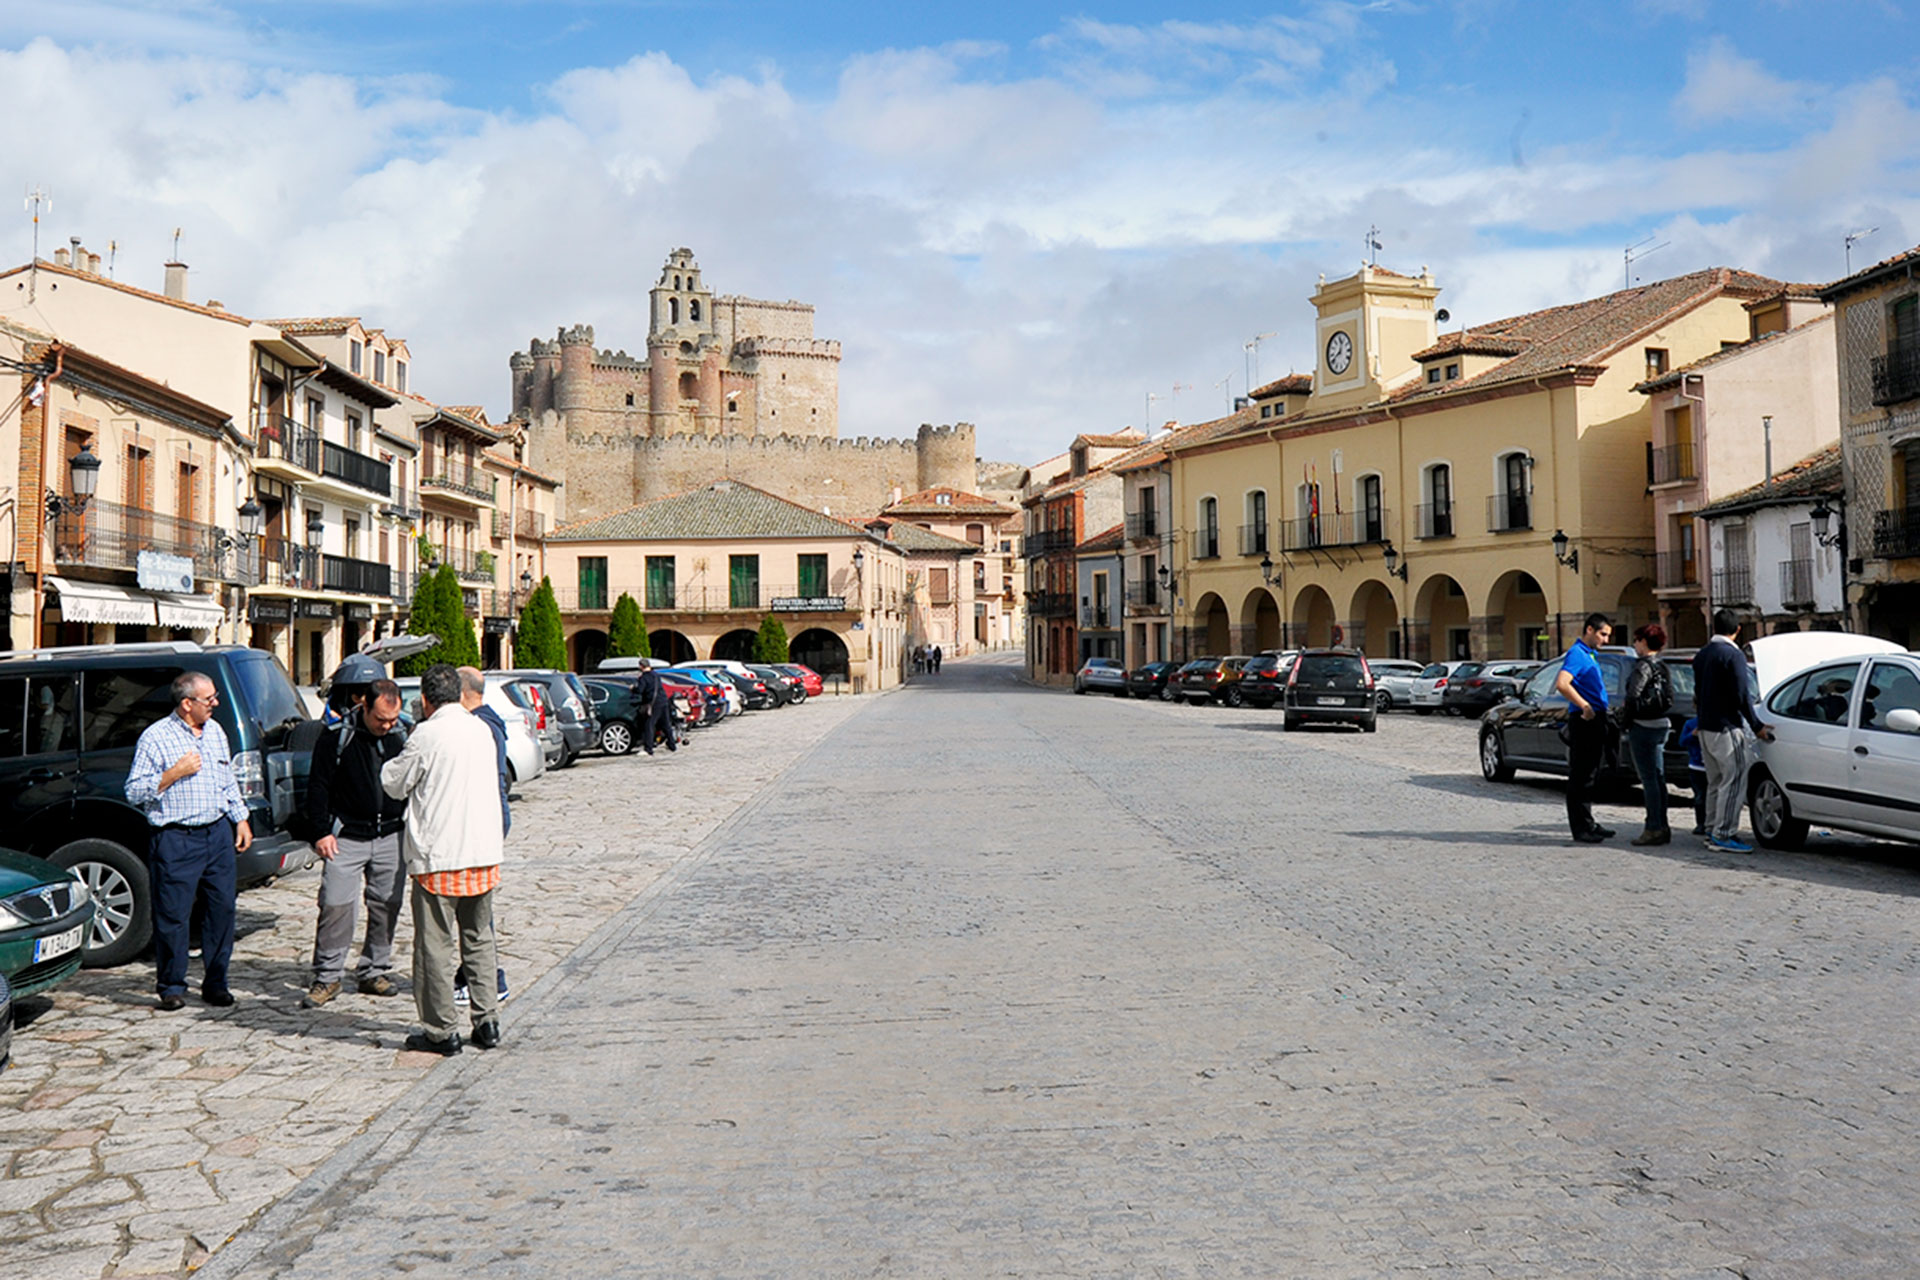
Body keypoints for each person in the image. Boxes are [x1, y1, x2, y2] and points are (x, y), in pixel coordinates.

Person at [381, 664, 506, 1056]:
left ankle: (441, 1030)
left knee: (435, 946)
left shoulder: (428, 734)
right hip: (482, 851)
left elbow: (393, 782)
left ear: (425, 699)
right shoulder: (480, 728)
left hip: (441, 856)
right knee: (479, 938)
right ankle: (486, 1022)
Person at [124, 672, 253, 1010]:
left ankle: (216, 982)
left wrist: (240, 818)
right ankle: (171, 985)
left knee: (222, 910)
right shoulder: (156, 737)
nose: (215, 703)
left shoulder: (215, 732)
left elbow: (228, 781)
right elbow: (134, 790)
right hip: (176, 838)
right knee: (173, 916)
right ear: (186, 704)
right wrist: (173, 773)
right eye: (208, 699)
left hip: (216, 834)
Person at [300, 675, 408, 1008]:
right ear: (364, 705)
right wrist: (320, 831)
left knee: (386, 906)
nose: (387, 726)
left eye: (392, 719)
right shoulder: (336, 736)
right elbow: (317, 786)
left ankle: (373, 969)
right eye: (380, 719)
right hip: (345, 836)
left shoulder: (404, 735)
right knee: (335, 906)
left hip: (391, 834)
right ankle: (327, 977)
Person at [1691, 608, 1775, 853]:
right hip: (1727, 726)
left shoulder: (1703, 655)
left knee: (1715, 781)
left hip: (1706, 726)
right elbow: (1741, 694)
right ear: (1737, 630)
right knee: (1735, 778)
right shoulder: (1733, 656)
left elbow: (1698, 693)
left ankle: (1710, 826)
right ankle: (1724, 833)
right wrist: (1757, 726)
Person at [453, 667, 511, 1010]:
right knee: (473, 903)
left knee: (475, 905)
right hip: (489, 817)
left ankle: (488, 978)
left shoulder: (480, 726)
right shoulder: (490, 721)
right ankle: (474, 974)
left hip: (480, 821)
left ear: (461, 693)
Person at [1554, 612, 1615, 844]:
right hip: (1584, 721)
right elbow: (1562, 683)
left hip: (1595, 719)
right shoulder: (1577, 654)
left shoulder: (1590, 654)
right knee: (1580, 775)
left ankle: (1588, 822)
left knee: (1590, 774)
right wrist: (1584, 705)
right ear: (1589, 629)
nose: (1606, 640)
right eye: (1602, 634)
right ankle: (1580, 828)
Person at [1622, 624, 1674, 847]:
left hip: (1643, 726)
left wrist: (1626, 721)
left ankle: (1653, 827)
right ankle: (1662, 825)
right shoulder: (1663, 666)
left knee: (1649, 779)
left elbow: (1633, 697)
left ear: (1644, 642)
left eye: (1636, 640)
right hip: (1661, 724)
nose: (1634, 645)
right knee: (1658, 777)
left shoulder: (1642, 666)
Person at [636, 662, 676, 755]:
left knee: (649, 724)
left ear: (641, 666)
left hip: (653, 703)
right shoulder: (656, 675)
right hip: (663, 700)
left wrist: (633, 688)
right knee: (666, 724)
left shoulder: (644, 677)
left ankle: (648, 748)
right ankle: (672, 744)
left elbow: (640, 690)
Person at [1678, 716, 1707, 835]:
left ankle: (1711, 822)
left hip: (1711, 767)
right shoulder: (1690, 723)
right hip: (1696, 766)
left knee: (1712, 795)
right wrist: (1692, 734)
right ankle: (1701, 823)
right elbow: (1682, 742)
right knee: (1700, 796)